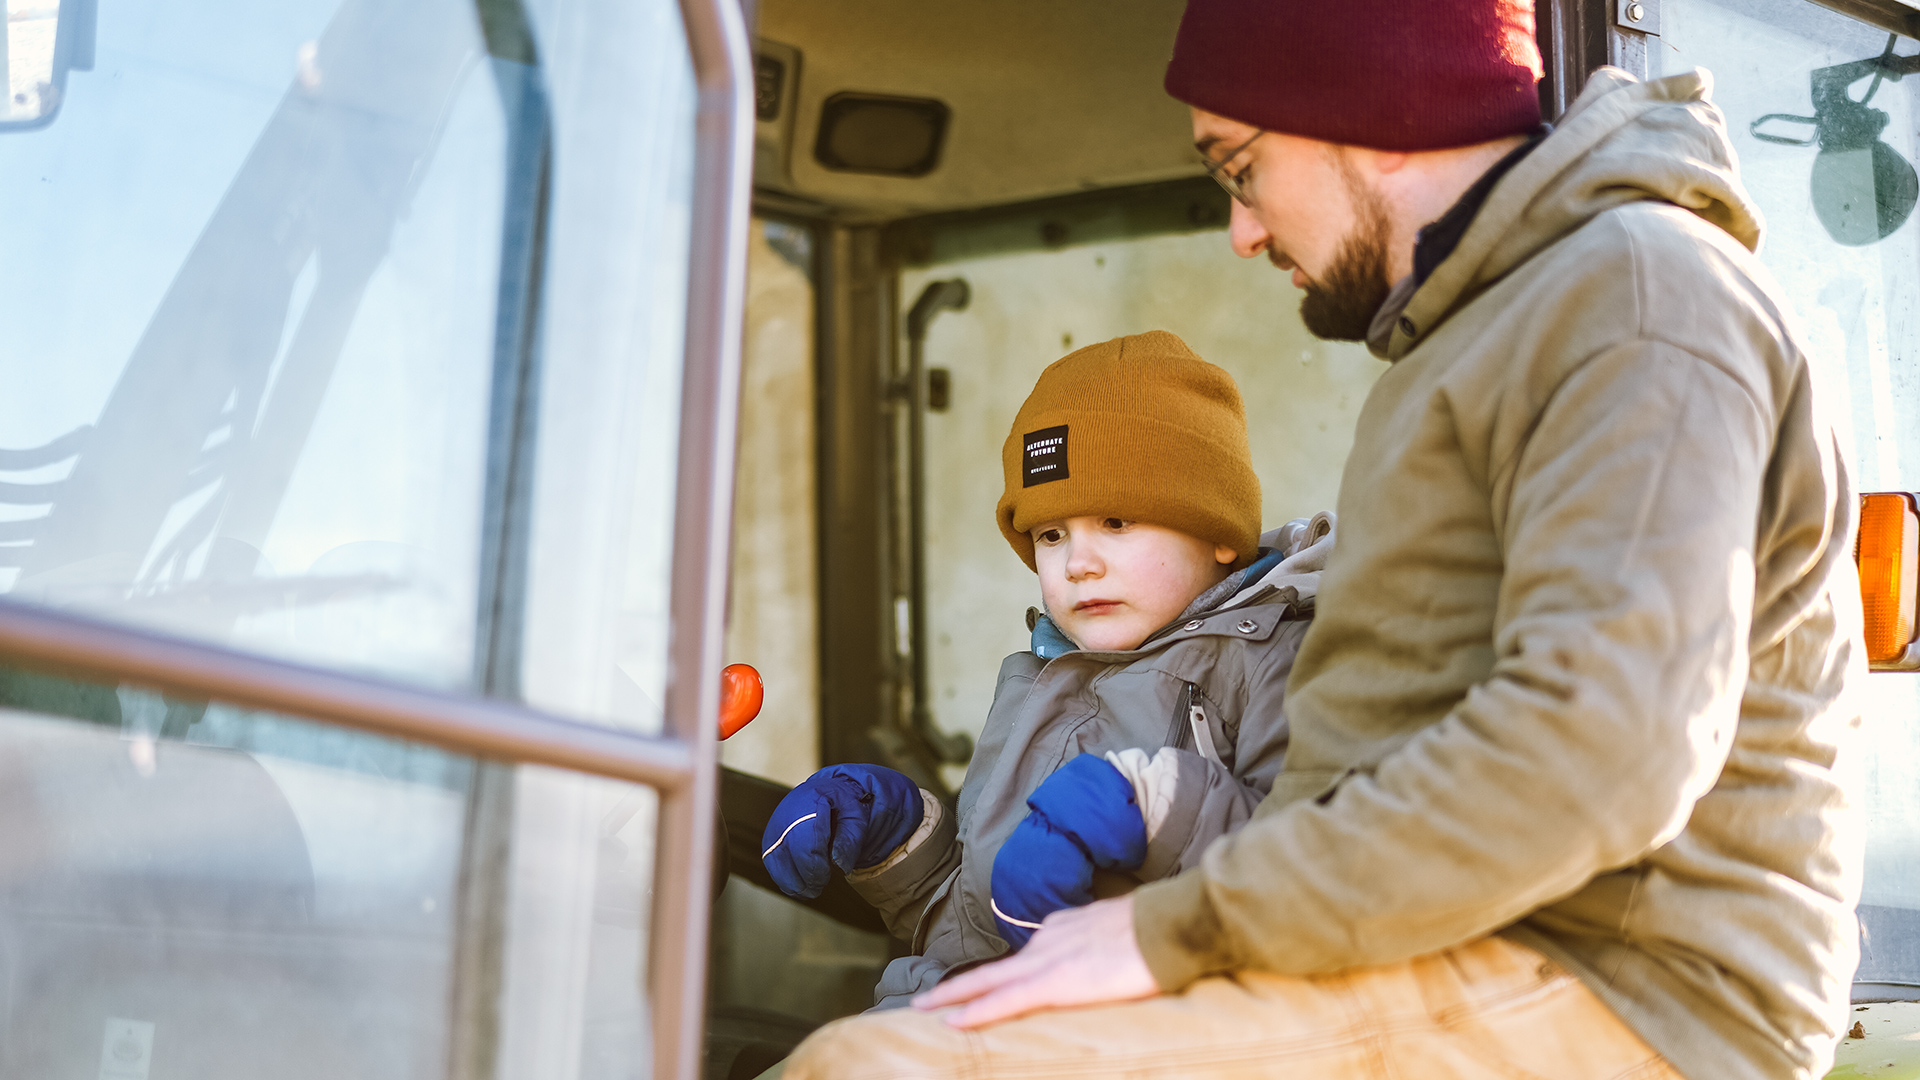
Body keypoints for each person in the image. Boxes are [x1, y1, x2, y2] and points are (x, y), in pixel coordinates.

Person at [782, 0, 1865, 1078]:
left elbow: (1606, 748)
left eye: (1241, 169)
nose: (1243, 232)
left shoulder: (1633, 296)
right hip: (1426, 939)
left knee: (885, 1071)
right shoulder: (1471, 340)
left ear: (1373, 116)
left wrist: (1171, 931)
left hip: (1624, 982)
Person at [758, 331, 1333, 1007]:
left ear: (1219, 533)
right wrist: (897, 840)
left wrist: (1151, 809)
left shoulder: (1281, 657)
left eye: (1116, 522)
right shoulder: (1041, 673)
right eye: (1051, 534)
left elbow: (1311, 869)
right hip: (944, 1019)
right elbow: (969, 931)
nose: (1076, 562)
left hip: (1127, 1032)